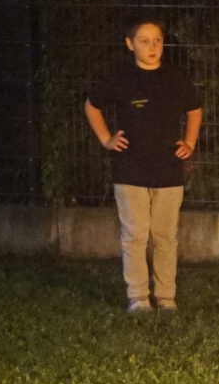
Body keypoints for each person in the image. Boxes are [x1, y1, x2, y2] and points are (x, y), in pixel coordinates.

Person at [83, 19, 203, 315]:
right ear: (130, 44)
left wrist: (189, 142)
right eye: (145, 40)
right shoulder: (121, 77)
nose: (152, 47)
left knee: (165, 236)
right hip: (130, 169)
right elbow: (92, 105)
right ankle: (138, 297)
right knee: (135, 235)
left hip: (168, 169)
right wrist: (105, 139)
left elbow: (194, 109)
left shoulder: (175, 77)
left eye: (158, 40)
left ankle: (165, 297)